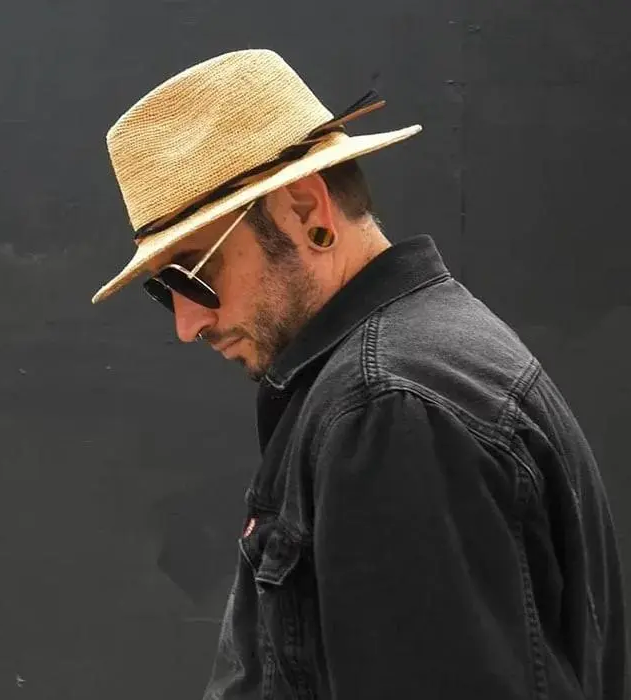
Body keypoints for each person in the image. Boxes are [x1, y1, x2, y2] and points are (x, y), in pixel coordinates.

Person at [92, 49, 629, 699]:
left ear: (308, 213)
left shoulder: (389, 408)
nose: (187, 322)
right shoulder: (408, 371)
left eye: (191, 274)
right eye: (164, 291)